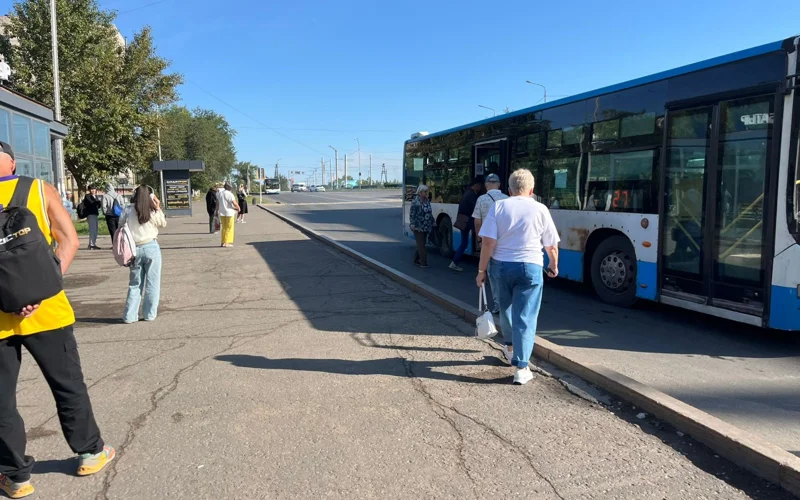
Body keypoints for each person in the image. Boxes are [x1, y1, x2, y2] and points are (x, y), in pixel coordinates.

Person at [0, 141, 114, 499]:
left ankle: (14, 477)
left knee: (1, 400)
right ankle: (90, 453)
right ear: (14, 163)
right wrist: (40, 289)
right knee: (67, 385)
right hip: (49, 312)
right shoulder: (36, 189)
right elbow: (69, 241)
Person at [475, 169, 560, 385]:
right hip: (531, 266)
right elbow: (551, 244)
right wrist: (553, 265)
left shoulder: (499, 206)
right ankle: (522, 368)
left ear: (510, 190)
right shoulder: (540, 209)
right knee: (526, 316)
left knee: (506, 308)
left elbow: (487, 242)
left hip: (501, 266)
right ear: (531, 190)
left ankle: (510, 348)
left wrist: (481, 271)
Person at [121, 185, 167, 324]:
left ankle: (130, 316)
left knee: (135, 283)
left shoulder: (128, 210)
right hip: (151, 247)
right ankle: (149, 314)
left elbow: (120, 225)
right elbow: (163, 223)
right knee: (152, 282)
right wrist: (157, 206)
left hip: (134, 249)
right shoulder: (152, 211)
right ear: (150, 196)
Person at [472, 173, 508, 314]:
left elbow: (477, 222)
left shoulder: (481, 199)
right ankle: (507, 303)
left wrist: (479, 239)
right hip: (505, 241)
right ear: (499, 185)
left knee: (493, 274)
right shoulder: (507, 199)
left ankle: (498, 305)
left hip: (489, 241)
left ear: (486, 185)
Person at [449, 177, 483, 272]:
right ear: (476, 186)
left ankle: (454, 262)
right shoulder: (471, 195)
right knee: (480, 239)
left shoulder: (468, 193)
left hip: (463, 220)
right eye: (480, 186)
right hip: (468, 221)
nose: (480, 188)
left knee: (464, 243)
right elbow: (475, 209)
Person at [409, 184, 435, 268]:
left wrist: (433, 221)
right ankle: (423, 262)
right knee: (421, 245)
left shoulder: (427, 201)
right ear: (420, 193)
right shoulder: (415, 202)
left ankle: (415, 259)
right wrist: (412, 224)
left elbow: (429, 213)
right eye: (425, 192)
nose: (427, 193)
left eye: (427, 191)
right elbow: (412, 214)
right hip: (418, 226)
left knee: (422, 243)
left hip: (426, 226)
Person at [217, 182, 240, 248]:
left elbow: (218, 203)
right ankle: (227, 242)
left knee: (224, 228)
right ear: (230, 187)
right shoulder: (230, 194)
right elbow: (234, 203)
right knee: (229, 228)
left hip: (222, 213)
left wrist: (216, 211)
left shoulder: (220, 194)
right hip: (229, 213)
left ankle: (223, 242)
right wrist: (238, 208)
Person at [82, 185, 103, 250]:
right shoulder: (87, 196)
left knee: (95, 230)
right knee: (92, 229)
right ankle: (91, 244)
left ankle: (93, 243)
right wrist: (98, 202)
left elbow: (98, 205)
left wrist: (99, 202)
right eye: (91, 189)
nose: (93, 191)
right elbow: (92, 203)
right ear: (89, 190)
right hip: (90, 214)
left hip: (95, 214)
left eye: (94, 189)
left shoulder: (95, 196)